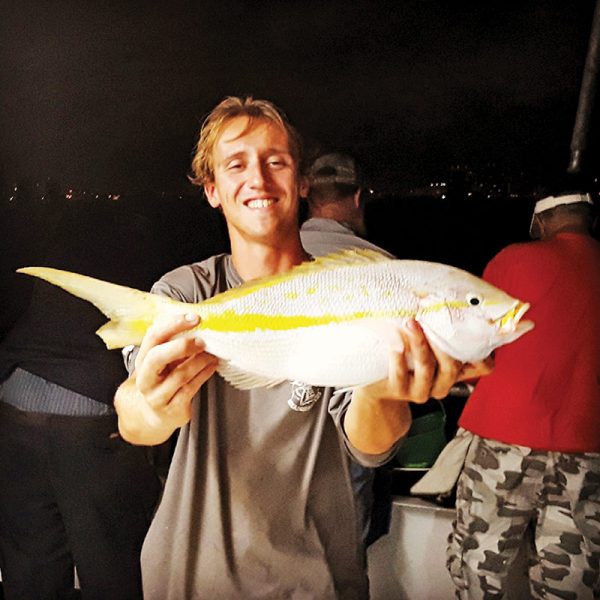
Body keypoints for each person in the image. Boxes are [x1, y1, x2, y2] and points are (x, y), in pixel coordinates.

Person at [114, 96, 487, 599]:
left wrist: (382, 389)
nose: (259, 180)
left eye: (276, 162)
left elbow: (371, 448)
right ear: (213, 190)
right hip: (191, 575)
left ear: (302, 182)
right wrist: (152, 404)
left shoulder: (351, 288)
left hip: (318, 579)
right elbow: (135, 417)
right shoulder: (186, 294)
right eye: (236, 164)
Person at [0, 203, 162, 599]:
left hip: (16, 402)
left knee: (30, 566)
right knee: (111, 563)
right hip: (88, 414)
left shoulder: (54, 251)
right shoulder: (140, 260)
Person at [446, 192, 600, 599]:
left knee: (479, 561)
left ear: (540, 222)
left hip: (504, 435)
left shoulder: (514, 258)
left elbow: (473, 341)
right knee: (571, 573)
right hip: (589, 446)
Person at [300, 151, 395, 549]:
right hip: (350, 452)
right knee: (341, 568)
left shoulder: (269, 263)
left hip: (276, 455)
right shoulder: (386, 269)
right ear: (357, 198)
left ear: (307, 196)